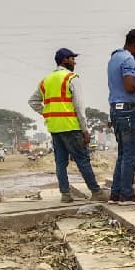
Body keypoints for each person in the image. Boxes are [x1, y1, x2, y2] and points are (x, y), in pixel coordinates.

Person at [28, 48, 108, 203]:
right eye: (72, 59)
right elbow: (79, 107)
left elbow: (33, 101)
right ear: (64, 60)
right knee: (82, 160)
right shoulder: (71, 78)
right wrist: (85, 129)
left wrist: (48, 113)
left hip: (54, 127)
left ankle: (65, 195)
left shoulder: (46, 80)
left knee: (60, 163)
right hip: (71, 126)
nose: (75, 62)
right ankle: (96, 192)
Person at [106, 29, 135, 204]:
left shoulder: (115, 58)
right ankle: (126, 193)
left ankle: (116, 194)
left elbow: (129, 81)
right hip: (129, 110)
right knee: (131, 153)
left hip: (117, 110)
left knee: (123, 153)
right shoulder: (128, 59)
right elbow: (130, 87)